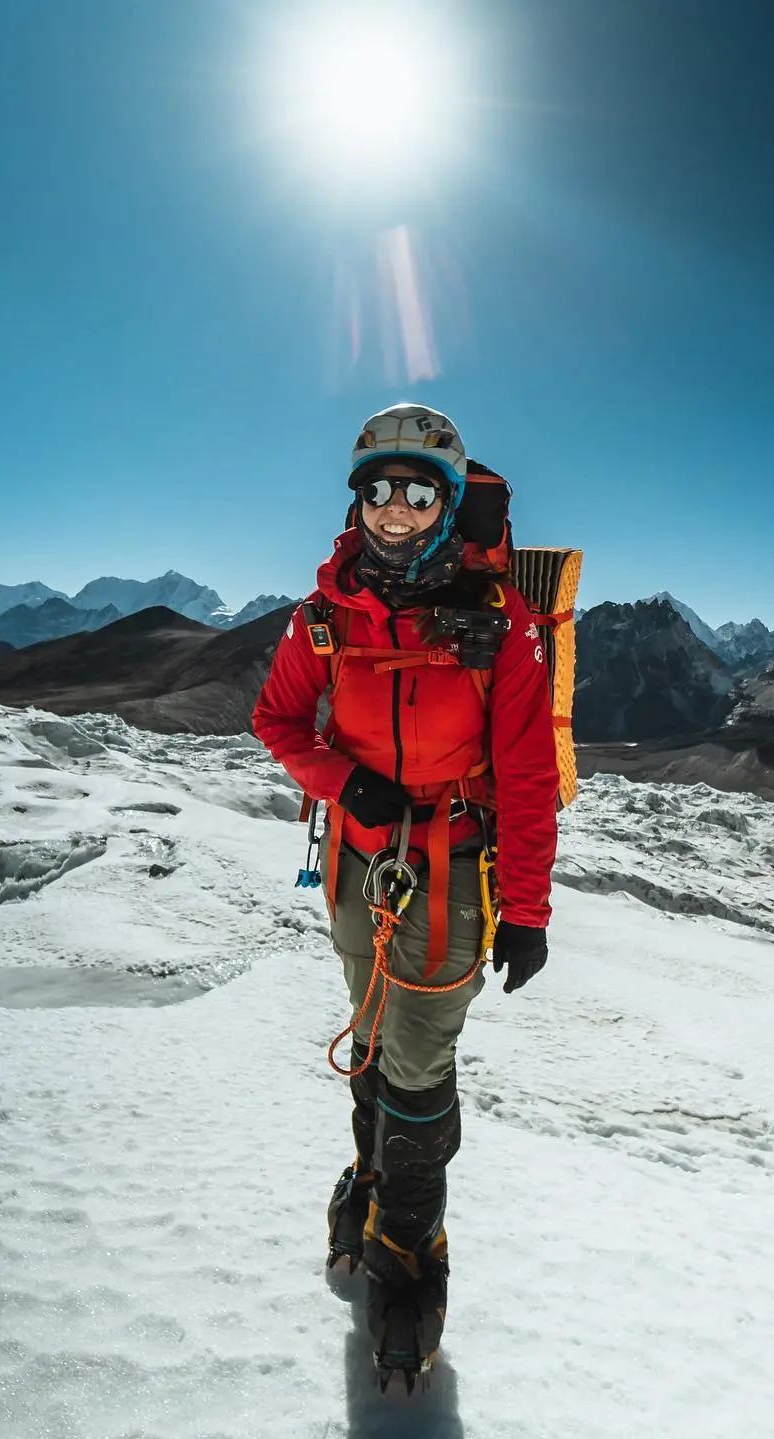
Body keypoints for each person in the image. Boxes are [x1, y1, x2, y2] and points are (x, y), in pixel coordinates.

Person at [252, 402, 558, 1386]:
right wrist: (350, 786)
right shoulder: (327, 615)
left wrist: (528, 909)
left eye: (417, 490)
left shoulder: (499, 631)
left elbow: (526, 775)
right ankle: (375, 1172)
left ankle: (408, 1250)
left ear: (449, 501)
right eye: (376, 489)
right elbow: (278, 719)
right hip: (359, 858)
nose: (393, 509)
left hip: (451, 867)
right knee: (372, 1030)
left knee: (420, 1058)